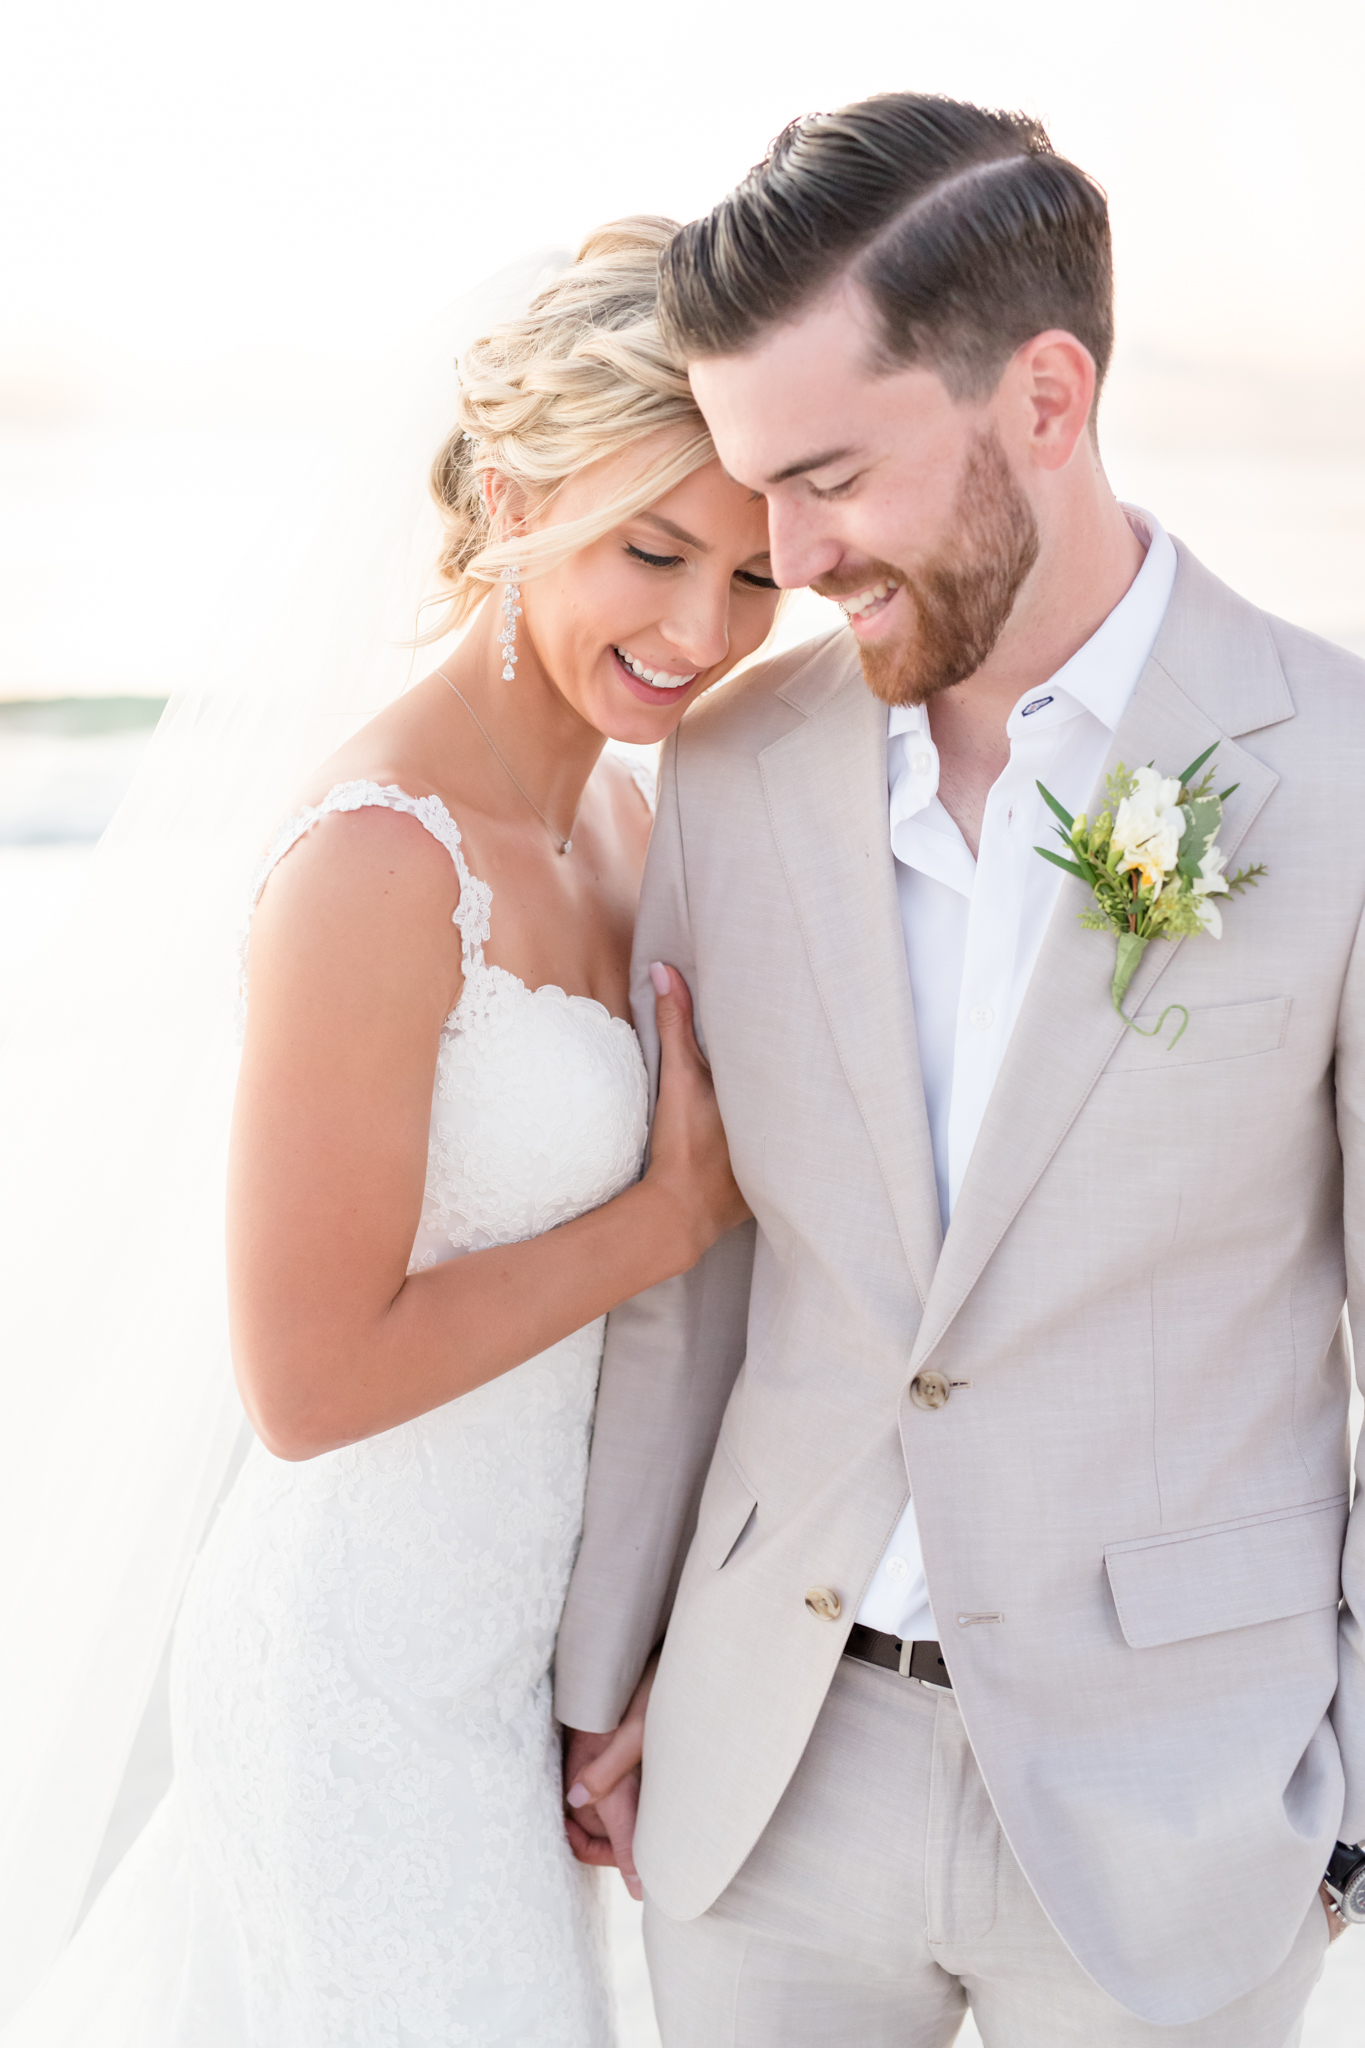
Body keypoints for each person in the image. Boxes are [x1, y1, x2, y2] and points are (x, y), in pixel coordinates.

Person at [555, 96, 1365, 2046]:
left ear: (1045, 399)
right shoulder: (733, 770)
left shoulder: (1333, 771)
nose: (785, 555)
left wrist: (1347, 1803)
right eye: (758, 485)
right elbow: (698, 1267)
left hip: (1177, 1806)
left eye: (829, 475)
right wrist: (608, 1665)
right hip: (766, 1782)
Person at [3, 218, 778, 2046]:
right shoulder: (377, 860)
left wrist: (631, 1661)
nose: (701, 632)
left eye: (754, 579)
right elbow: (306, 1378)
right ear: (510, 496)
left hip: (508, 1676)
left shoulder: (630, 827)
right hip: (353, 1682)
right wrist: (655, 1225)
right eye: (649, 553)